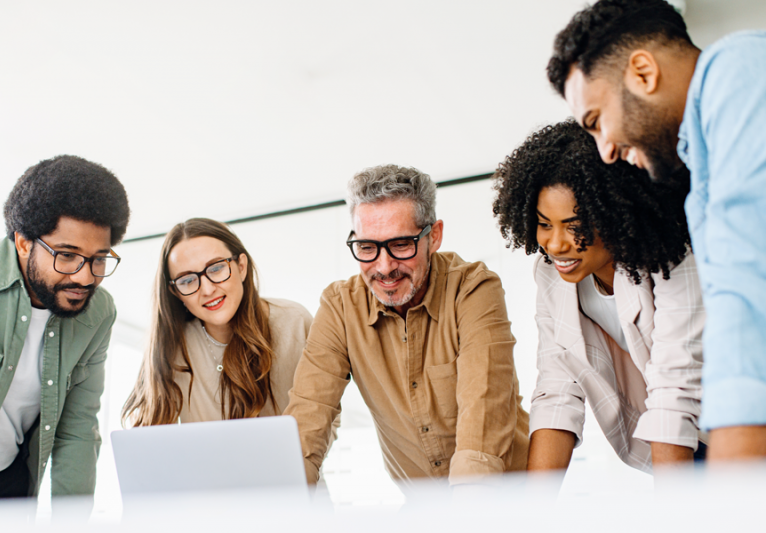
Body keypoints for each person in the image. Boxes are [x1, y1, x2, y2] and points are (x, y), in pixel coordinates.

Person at [547, 0, 766, 460]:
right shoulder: (696, 176)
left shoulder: (738, 73)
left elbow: (748, 294)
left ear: (643, 72)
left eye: (596, 122)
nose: (604, 151)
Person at [284, 164, 529, 491]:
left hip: (511, 499)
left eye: (401, 244)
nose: (384, 268)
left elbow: (482, 417)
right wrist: (285, 502)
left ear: (434, 236)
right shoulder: (340, 308)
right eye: (368, 248)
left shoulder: (473, 289)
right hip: (424, 510)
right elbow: (308, 421)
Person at [493, 120, 704, 474]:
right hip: (686, 448)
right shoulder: (551, 275)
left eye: (575, 226)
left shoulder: (674, 259)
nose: (556, 244)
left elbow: (675, 391)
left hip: (740, 431)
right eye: (545, 224)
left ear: (616, 216)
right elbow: (557, 392)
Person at [0, 155, 130, 499]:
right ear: (23, 242)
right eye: (67, 255)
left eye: (99, 258)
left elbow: (78, 429)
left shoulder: (98, 314)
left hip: (5, 486)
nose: (85, 277)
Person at [122, 218, 317, 427]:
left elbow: (323, 417)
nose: (207, 290)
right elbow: (150, 434)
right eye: (187, 280)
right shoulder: (172, 344)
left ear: (241, 267)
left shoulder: (294, 321)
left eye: (215, 269)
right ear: (176, 293)